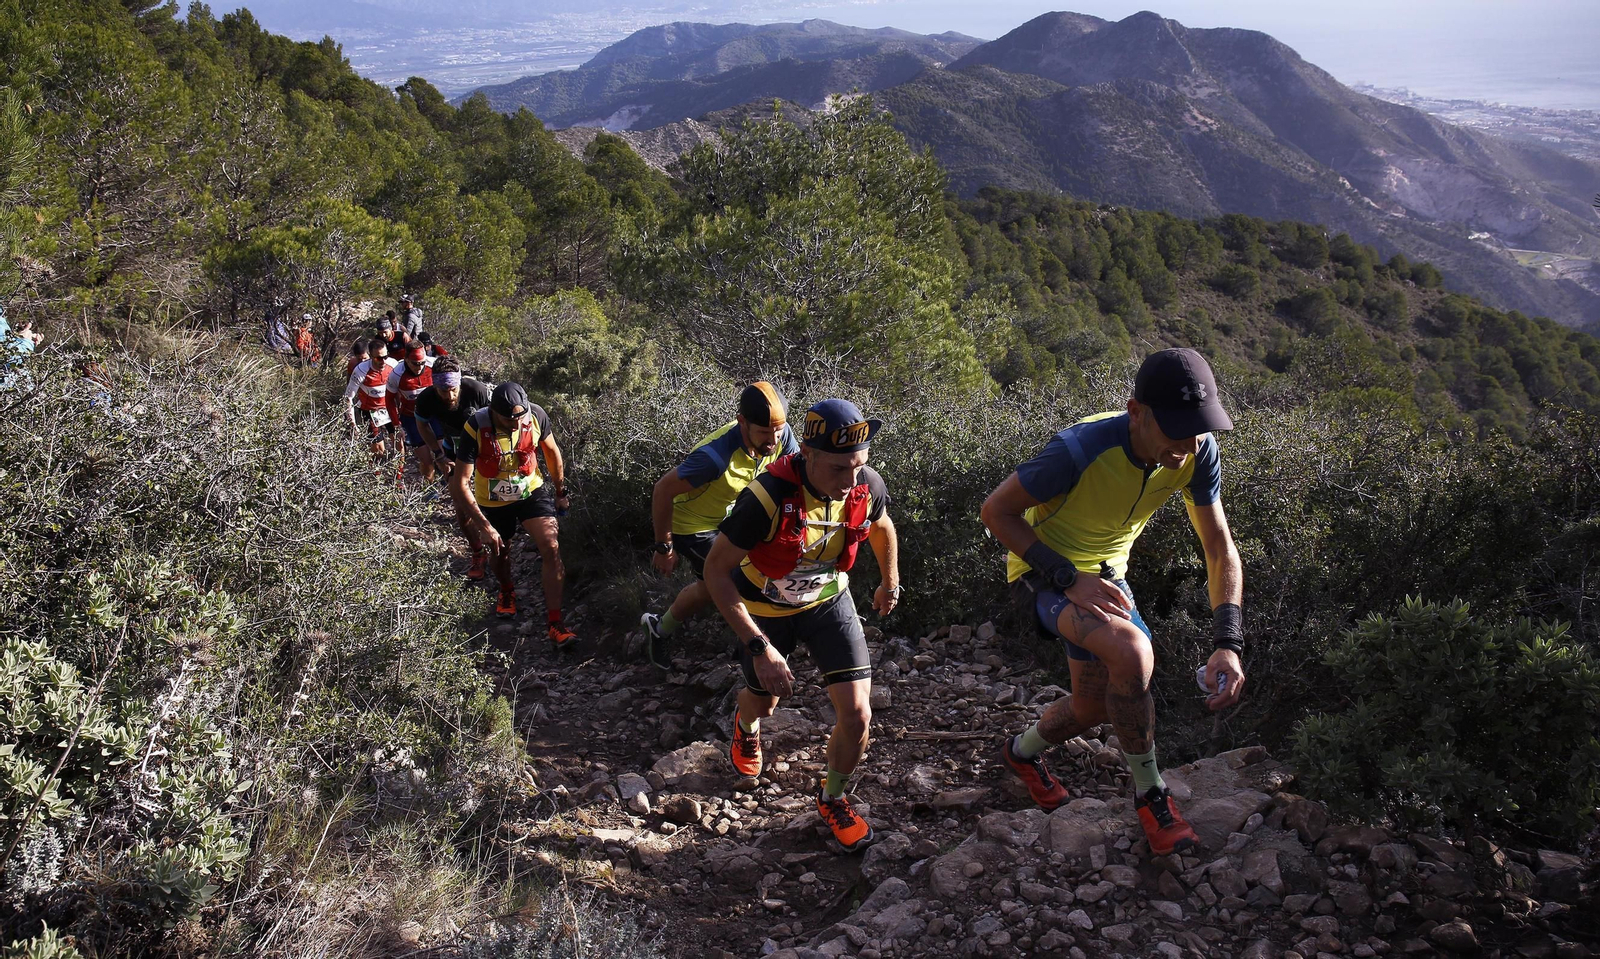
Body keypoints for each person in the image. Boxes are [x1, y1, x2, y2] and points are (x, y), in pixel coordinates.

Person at [980, 348, 1245, 857]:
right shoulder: (1079, 449)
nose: (1188, 445)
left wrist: (1228, 642)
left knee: (1094, 706)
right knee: (1132, 652)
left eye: (1198, 428)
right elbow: (996, 512)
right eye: (1176, 429)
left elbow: (1219, 548)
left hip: (1105, 574)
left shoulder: (1197, 451)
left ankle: (1020, 754)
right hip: (1042, 570)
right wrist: (1064, 575)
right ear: (1136, 412)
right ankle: (1152, 795)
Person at [704, 399, 901, 850]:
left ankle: (833, 798)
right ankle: (746, 726)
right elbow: (716, 572)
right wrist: (759, 646)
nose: (851, 479)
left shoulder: (864, 485)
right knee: (765, 702)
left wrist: (890, 582)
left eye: (859, 466)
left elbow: (881, 526)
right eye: (838, 469)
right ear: (807, 454)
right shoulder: (765, 498)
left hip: (828, 602)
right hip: (766, 611)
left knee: (857, 714)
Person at [641, 382, 799, 670]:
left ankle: (658, 628)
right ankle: (753, 651)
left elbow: (795, 477)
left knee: (707, 588)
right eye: (764, 433)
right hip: (693, 526)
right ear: (742, 422)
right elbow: (663, 490)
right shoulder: (714, 458)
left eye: (777, 431)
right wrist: (664, 546)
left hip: (733, 520)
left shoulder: (781, 434)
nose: (773, 440)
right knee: (738, 580)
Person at [451, 383, 577, 648]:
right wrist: (483, 525)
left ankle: (555, 623)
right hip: (493, 500)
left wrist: (560, 491)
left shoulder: (536, 416)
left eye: (520, 417)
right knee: (500, 551)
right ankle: (506, 588)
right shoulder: (475, 426)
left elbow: (552, 452)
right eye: (509, 419)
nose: (516, 423)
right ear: (494, 412)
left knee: (551, 547)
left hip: (530, 490)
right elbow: (460, 483)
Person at [416, 356, 493, 578]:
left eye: (452, 389)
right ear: (434, 386)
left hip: (483, 451)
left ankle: (499, 545)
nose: (449, 396)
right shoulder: (427, 399)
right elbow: (421, 424)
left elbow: (495, 423)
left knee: (492, 502)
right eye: (443, 390)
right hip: (454, 451)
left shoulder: (476, 390)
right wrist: (438, 455)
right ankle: (478, 553)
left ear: (459, 383)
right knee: (461, 506)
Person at [385, 342, 438, 484]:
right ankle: (430, 488)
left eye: (422, 362)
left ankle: (449, 484)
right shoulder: (396, 374)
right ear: (406, 359)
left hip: (434, 415)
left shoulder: (434, 365)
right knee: (426, 460)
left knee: (444, 452)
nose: (419, 367)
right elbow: (389, 400)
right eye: (415, 363)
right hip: (411, 418)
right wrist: (397, 425)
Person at [343, 337, 399, 459]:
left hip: (389, 407)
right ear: (371, 356)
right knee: (378, 450)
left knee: (399, 442)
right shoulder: (360, 370)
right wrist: (352, 423)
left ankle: (398, 475)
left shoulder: (393, 364)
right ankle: (376, 475)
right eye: (379, 358)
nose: (383, 361)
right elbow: (348, 397)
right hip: (369, 410)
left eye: (385, 357)